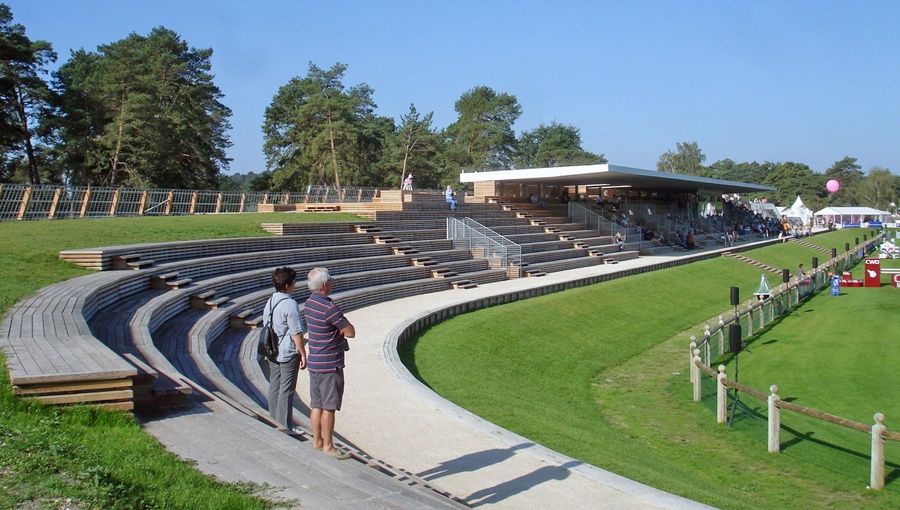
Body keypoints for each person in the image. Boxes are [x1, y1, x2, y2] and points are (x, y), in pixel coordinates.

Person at [304, 267, 356, 460]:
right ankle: (328, 446)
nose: (333, 282)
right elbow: (350, 331)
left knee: (316, 404)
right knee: (329, 406)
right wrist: (344, 327)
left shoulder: (309, 303)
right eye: (331, 280)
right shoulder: (329, 307)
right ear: (325, 285)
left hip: (315, 361)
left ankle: (317, 441)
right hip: (329, 363)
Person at [263, 267, 307, 431]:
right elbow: (296, 331)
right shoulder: (289, 304)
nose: (295, 284)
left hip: (272, 349)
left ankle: (274, 420)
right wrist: (302, 352)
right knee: (287, 389)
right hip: (287, 351)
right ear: (288, 285)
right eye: (294, 282)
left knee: (275, 385)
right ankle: (285, 425)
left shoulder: (271, 301)